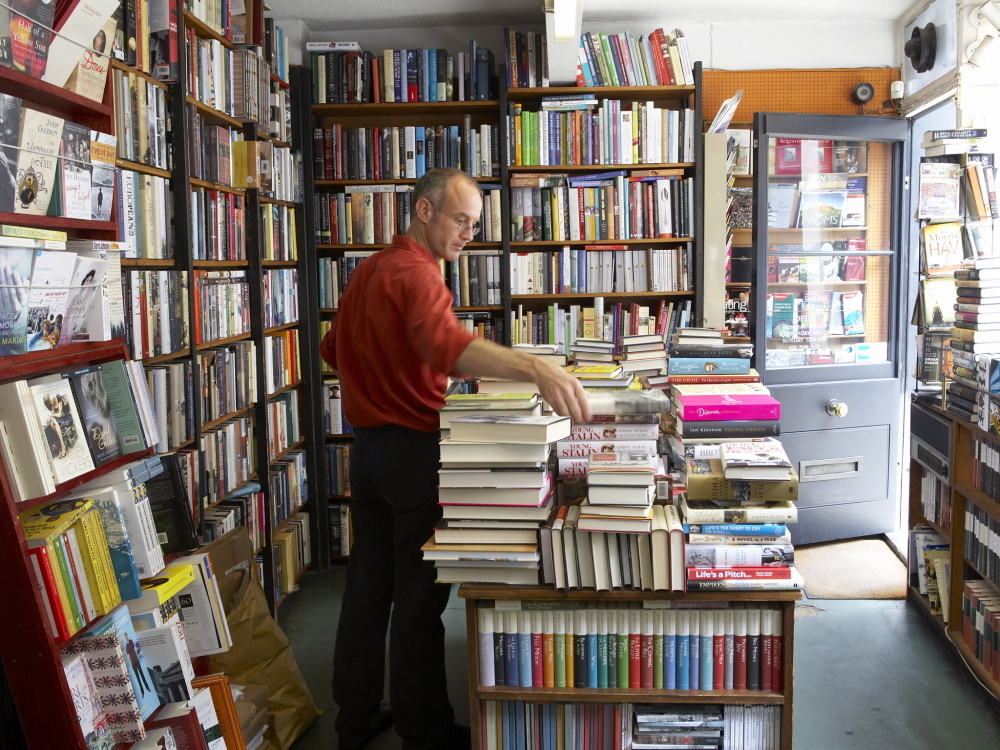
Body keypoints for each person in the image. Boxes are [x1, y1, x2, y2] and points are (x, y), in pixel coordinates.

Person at [320, 167, 592, 750]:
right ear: (425, 212)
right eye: (460, 219)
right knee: (418, 601)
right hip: (414, 454)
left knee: (368, 589)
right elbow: (446, 347)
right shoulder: (419, 273)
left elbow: (330, 349)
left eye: (475, 223)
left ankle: (357, 720)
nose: (469, 233)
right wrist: (538, 368)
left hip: (367, 452)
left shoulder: (367, 270)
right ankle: (425, 731)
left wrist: (383, 382)